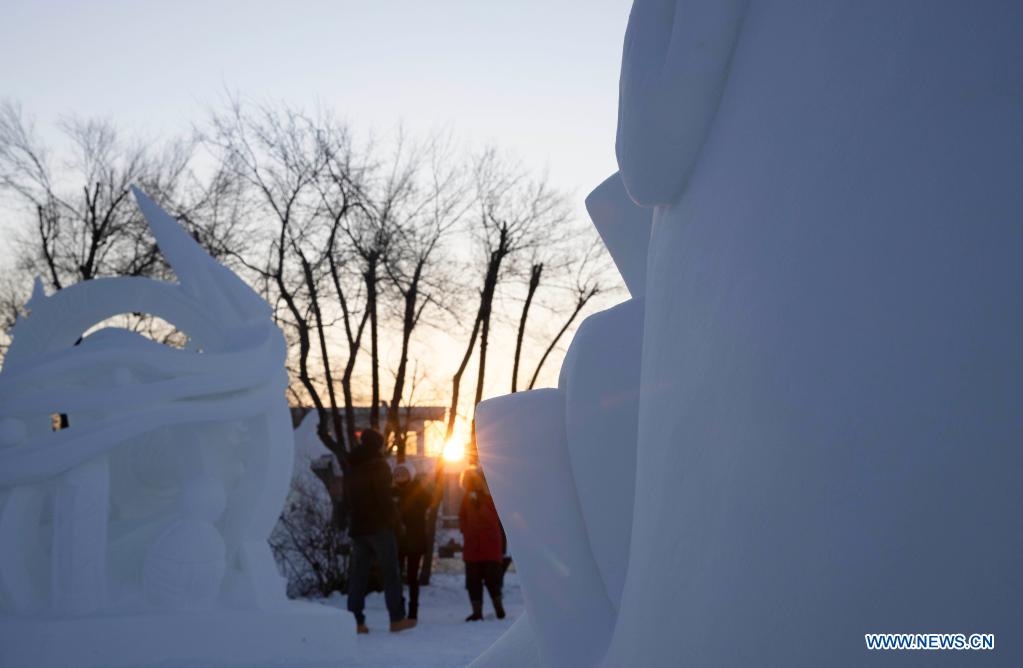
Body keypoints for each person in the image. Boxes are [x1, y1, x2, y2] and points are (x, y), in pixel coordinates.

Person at [345, 429, 415, 634]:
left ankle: (355, 621)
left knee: (358, 575)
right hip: (379, 527)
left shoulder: (351, 466)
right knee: (391, 573)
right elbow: (384, 499)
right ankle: (396, 619)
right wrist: (396, 522)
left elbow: (347, 498)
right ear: (378, 445)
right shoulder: (379, 465)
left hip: (358, 528)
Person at [458, 467, 505, 621]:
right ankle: (477, 612)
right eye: (472, 480)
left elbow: (493, 519)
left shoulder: (492, 497)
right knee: (473, 581)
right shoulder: (466, 498)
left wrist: (480, 503)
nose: (475, 483)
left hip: (490, 545)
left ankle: (499, 608)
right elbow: (462, 517)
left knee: (492, 579)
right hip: (472, 546)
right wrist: (466, 531)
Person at [392, 464, 431, 620]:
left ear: (411, 475)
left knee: (412, 578)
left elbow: (429, 501)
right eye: (397, 473)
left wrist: (417, 487)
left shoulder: (418, 492)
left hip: (415, 541)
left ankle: (413, 612)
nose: (400, 476)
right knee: (397, 577)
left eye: (404, 473)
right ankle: (399, 609)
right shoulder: (392, 493)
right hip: (398, 541)